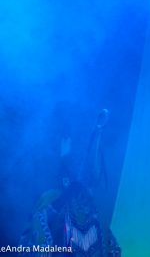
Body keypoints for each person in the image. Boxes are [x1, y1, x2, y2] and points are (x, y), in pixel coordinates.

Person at [19, 110, 121, 257]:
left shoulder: (91, 210)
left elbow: (111, 249)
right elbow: (31, 241)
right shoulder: (51, 198)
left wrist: (98, 132)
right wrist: (61, 201)